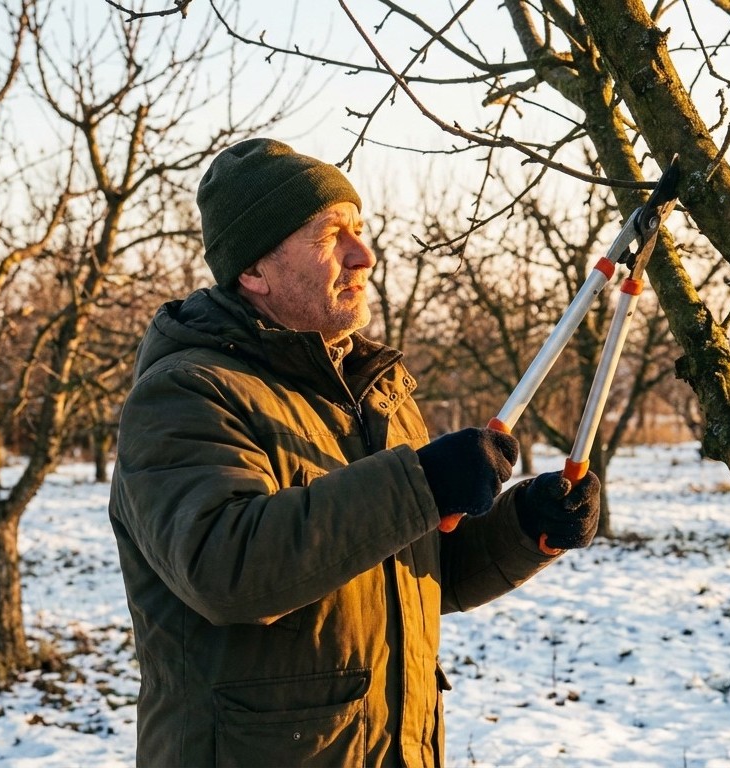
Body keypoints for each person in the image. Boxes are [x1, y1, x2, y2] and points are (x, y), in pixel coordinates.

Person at [107, 137, 601, 767]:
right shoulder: (186, 394)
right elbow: (226, 570)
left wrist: (526, 527)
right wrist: (421, 484)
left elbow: (413, 570)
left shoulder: (377, 391)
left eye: (359, 229)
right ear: (254, 271)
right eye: (328, 234)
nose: (363, 254)